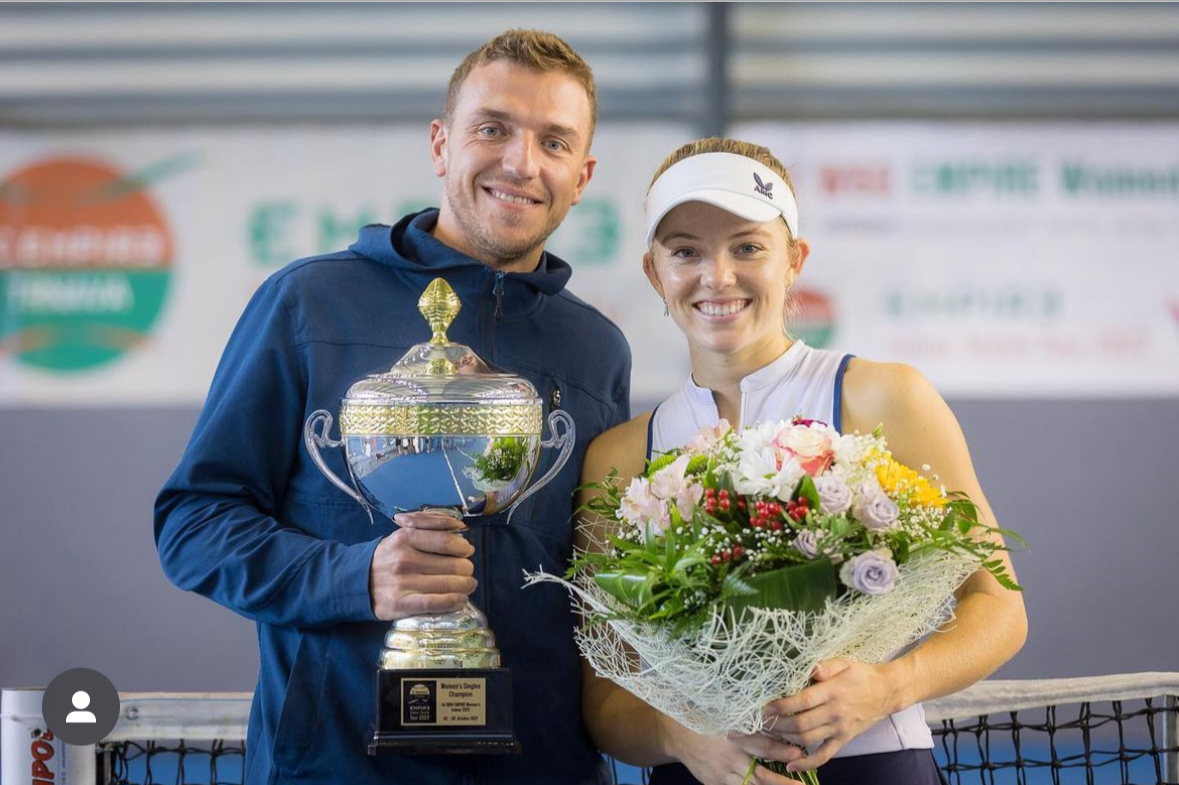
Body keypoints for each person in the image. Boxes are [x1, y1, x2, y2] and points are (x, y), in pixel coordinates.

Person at [155, 30, 631, 785]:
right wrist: (355, 576)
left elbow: (594, 577)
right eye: (493, 128)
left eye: (554, 142)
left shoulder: (595, 349)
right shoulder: (307, 302)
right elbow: (193, 523)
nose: (521, 162)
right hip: (334, 768)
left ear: (582, 174)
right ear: (441, 144)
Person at [577, 138, 1027, 785]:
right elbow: (604, 698)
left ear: (794, 260)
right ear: (654, 273)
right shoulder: (618, 455)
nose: (717, 275)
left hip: (875, 764)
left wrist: (886, 685)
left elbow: (999, 607)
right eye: (685, 251)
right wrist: (682, 736)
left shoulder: (883, 395)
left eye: (747, 246)